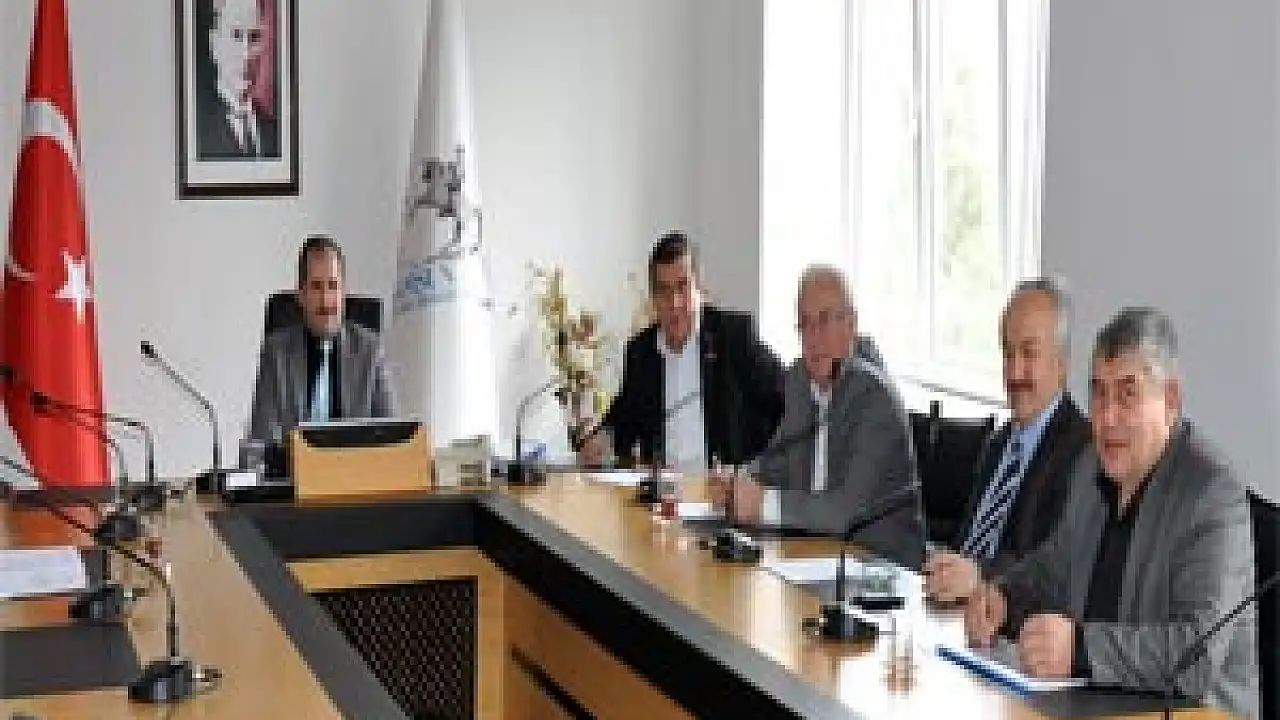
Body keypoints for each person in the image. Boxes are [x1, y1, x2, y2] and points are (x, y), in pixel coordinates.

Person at [965, 308, 1257, 717]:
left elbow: (1196, 655)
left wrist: (1081, 650)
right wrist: (1004, 597)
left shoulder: (1210, 494)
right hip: (1096, 706)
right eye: (1099, 393)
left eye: (1127, 394)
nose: (1106, 417)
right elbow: (1054, 567)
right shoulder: (1090, 467)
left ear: (1170, 400)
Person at [716, 264, 926, 570]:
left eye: (824, 321)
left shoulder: (874, 397)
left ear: (851, 325)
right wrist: (737, 479)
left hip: (881, 569)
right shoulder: (800, 380)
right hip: (815, 555)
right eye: (805, 324)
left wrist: (764, 503)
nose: (813, 337)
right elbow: (778, 462)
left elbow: (844, 512)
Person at [924, 278, 1090, 602]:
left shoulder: (1083, 451)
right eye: (1008, 353)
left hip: (1015, 621)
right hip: (955, 611)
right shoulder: (998, 444)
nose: (1014, 372)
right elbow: (967, 545)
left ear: (1061, 364)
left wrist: (979, 576)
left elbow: (1052, 566)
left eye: (1029, 353)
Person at [578, 232, 786, 470]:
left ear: (699, 288)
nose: (675, 302)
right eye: (664, 291)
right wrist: (602, 439)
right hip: (662, 488)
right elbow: (624, 417)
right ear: (653, 298)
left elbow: (783, 401)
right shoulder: (641, 352)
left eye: (682, 286)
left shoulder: (733, 336)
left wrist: (758, 469)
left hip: (721, 486)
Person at [248, 236, 395, 444]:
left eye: (333, 286)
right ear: (301, 295)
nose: (326, 301)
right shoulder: (276, 353)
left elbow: (392, 439)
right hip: (293, 465)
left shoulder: (370, 352)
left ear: (344, 293)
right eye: (316, 287)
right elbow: (260, 442)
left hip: (353, 464)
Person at [194, 0, 280, 159]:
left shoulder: (276, 131)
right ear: (214, 45)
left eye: (254, 37)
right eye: (236, 36)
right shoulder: (194, 126)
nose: (246, 55)